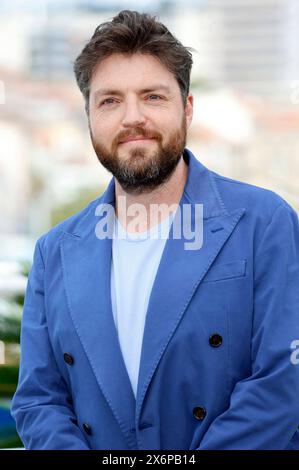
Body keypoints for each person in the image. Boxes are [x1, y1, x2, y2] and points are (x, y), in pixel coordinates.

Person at [11, 10, 299, 450]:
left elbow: (283, 383)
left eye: (153, 97)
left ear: (186, 107)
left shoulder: (266, 222)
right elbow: (38, 401)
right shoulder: (55, 251)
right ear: (88, 116)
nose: (132, 118)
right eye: (109, 100)